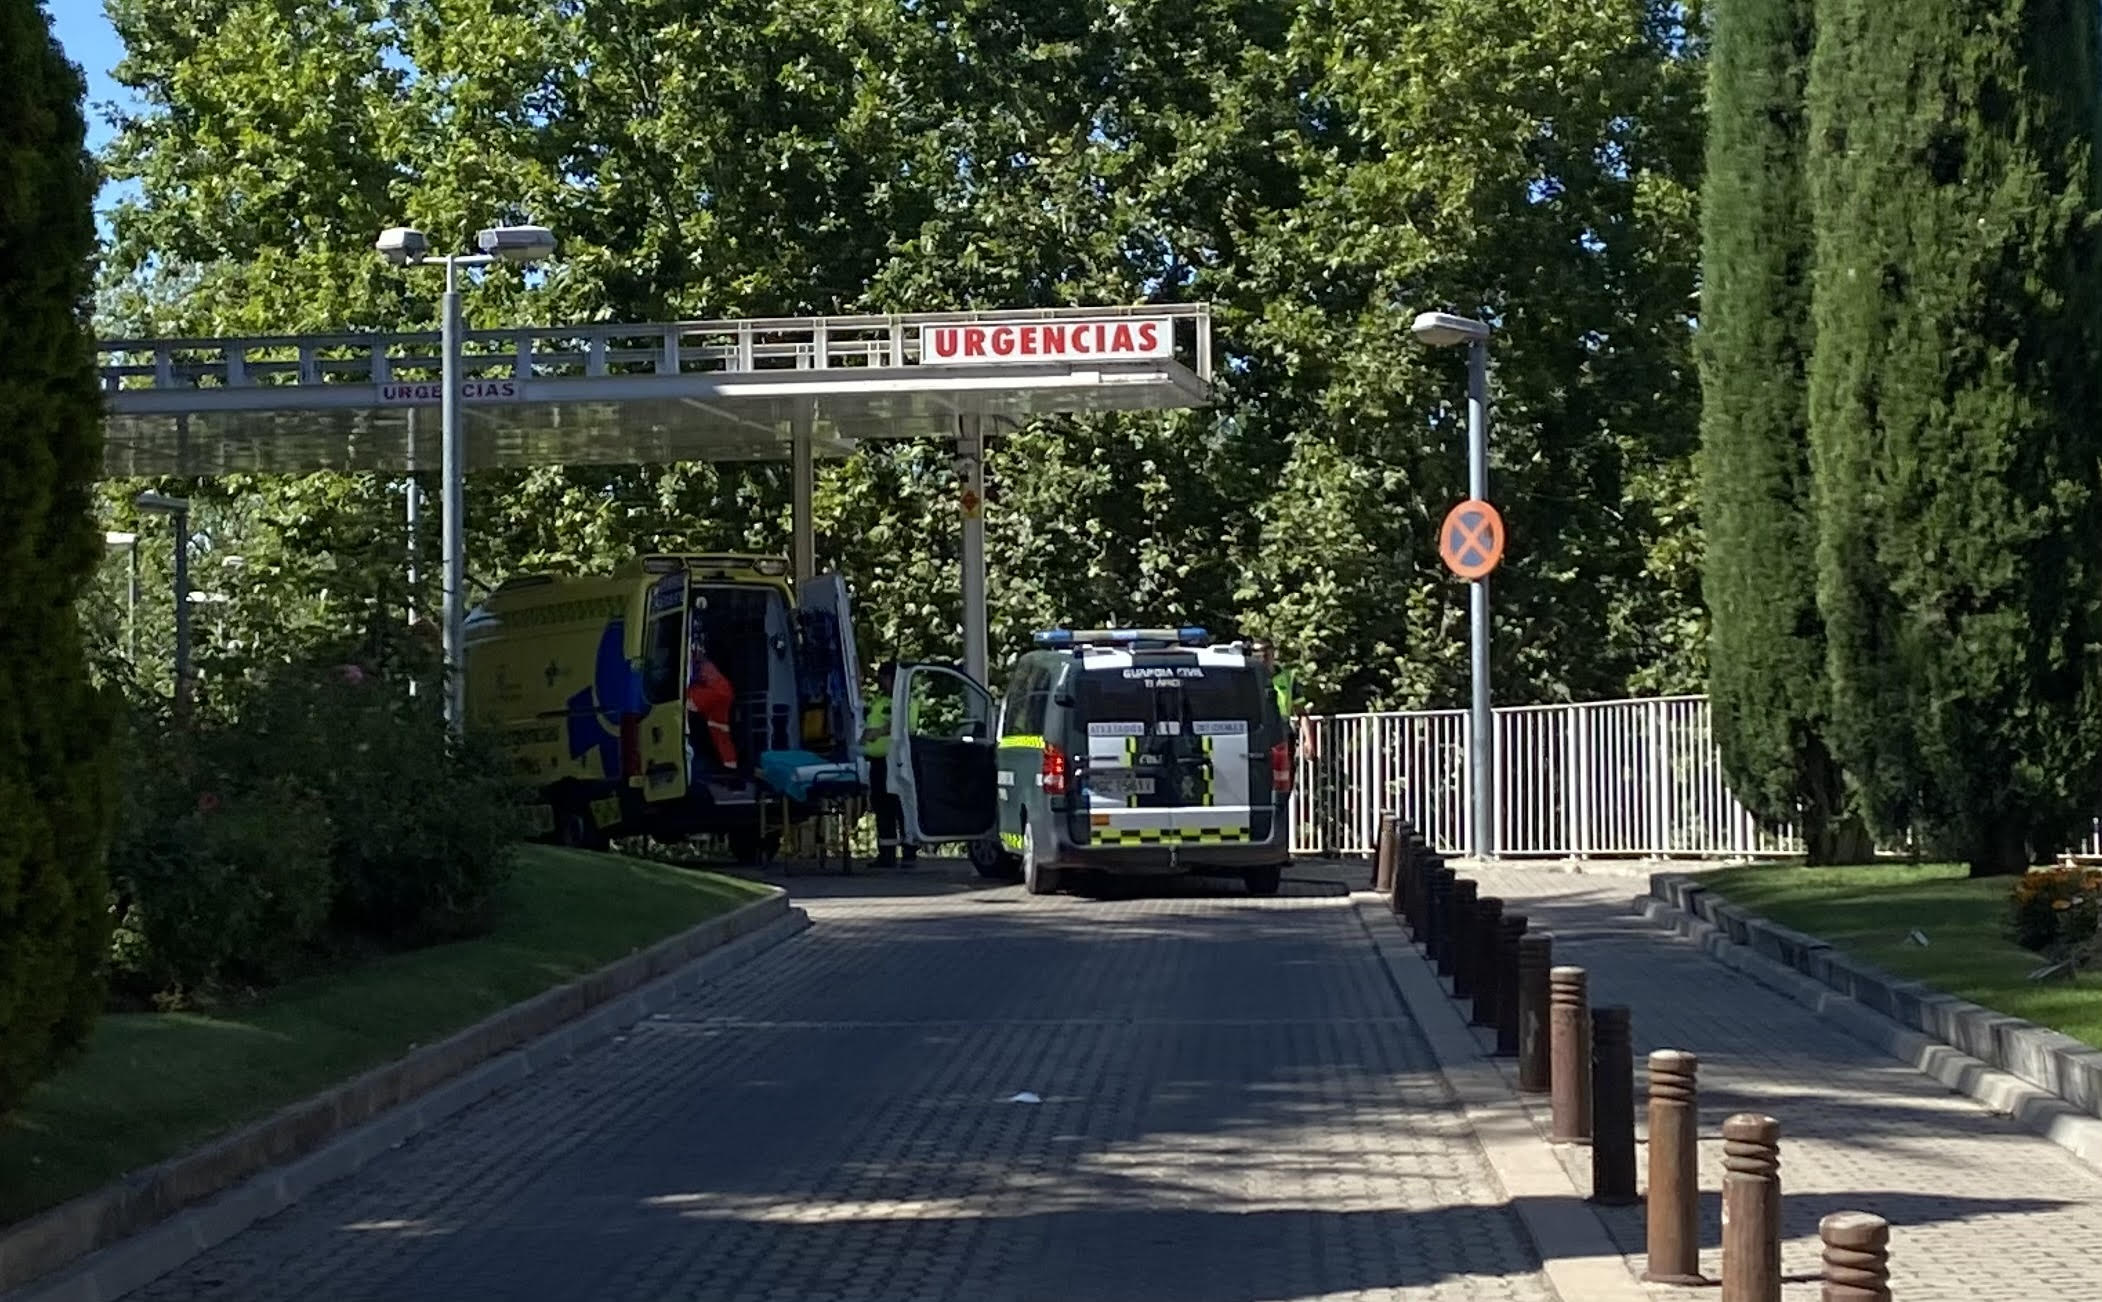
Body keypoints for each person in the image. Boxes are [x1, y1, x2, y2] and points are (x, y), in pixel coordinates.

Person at [862, 659, 916, 867]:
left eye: (884, 678)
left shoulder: (906, 700)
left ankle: (909, 851)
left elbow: (905, 725)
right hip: (877, 762)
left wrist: (878, 732)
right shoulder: (881, 701)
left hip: (896, 762)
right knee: (882, 808)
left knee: (900, 806)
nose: (881, 682)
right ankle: (887, 854)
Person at [687, 632, 739, 782]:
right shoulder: (706, 666)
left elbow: (688, 699)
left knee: (718, 730)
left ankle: (728, 768)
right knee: (719, 730)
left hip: (715, 694)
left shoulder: (701, 666)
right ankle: (729, 767)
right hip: (720, 694)